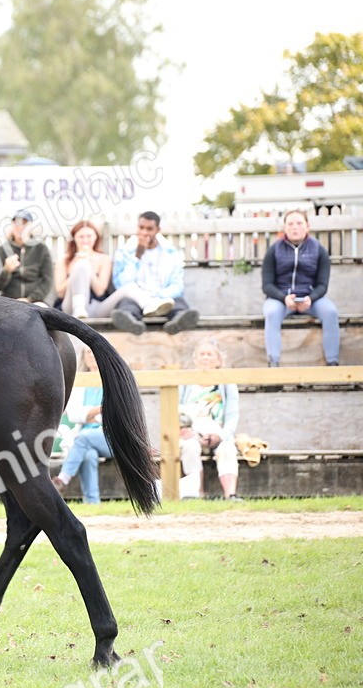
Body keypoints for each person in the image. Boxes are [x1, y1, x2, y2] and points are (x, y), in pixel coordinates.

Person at [262, 209, 340, 367]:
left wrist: (310, 298)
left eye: (299, 223)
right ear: (284, 227)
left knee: (331, 312)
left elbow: (323, 285)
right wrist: (284, 298)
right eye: (290, 224)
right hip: (281, 299)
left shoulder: (319, 250)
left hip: (310, 299)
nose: (295, 227)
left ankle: (332, 362)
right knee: (271, 313)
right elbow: (267, 285)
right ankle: (273, 362)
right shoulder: (274, 250)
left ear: (307, 226)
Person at [55, 220, 174, 320]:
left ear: (95, 237)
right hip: (70, 308)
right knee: (82, 265)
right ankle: (79, 308)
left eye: (89, 236)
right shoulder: (64, 260)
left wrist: (89, 269)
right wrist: (77, 271)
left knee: (130, 287)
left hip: (95, 308)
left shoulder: (104, 259)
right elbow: (60, 292)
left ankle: (150, 304)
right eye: (81, 236)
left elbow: (100, 291)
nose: (85, 240)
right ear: (74, 238)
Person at [110, 211, 201, 335]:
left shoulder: (171, 253)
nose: (144, 232)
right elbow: (122, 284)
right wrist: (137, 255)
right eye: (141, 228)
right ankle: (132, 324)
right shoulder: (124, 252)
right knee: (126, 305)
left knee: (179, 303)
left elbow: (177, 285)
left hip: (164, 299)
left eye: (149, 229)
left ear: (158, 230)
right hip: (137, 299)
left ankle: (177, 322)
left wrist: (158, 297)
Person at [178, 340, 241, 500]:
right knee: (189, 447)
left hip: (218, 431)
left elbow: (232, 416)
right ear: (195, 359)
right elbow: (177, 410)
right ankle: (197, 493)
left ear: (218, 360)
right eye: (202, 354)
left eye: (209, 354)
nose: (205, 358)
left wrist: (221, 435)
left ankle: (230, 494)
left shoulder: (227, 384)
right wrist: (183, 430)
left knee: (227, 448)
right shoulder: (186, 383)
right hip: (193, 432)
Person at [52, 348, 111, 504]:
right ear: (84, 357)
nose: (92, 355)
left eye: (94, 351)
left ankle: (63, 479)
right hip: (83, 440)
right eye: (88, 352)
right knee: (88, 454)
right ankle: (92, 503)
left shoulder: (112, 379)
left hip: (112, 439)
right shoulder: (80, 382)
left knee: (84, 438)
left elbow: (114, 414)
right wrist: (100, 409)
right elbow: (73, 415)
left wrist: (87, 415)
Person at [0, 209, 54, 305]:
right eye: (16, 223)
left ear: (31, 226)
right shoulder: (3, 250)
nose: (20, 227)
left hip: (35, 302)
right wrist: (6, 271)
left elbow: (47, 282)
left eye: (24, 223)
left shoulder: (41, 249)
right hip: (9, 302)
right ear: (12, 225)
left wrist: (29, 299)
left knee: (41, 308)